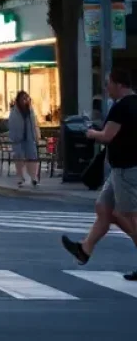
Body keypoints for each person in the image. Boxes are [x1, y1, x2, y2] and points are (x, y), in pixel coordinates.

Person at [62, 67, 137, 280]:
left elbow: (107, 136)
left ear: (119, 84)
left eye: (108, 84)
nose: (106, 88)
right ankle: (84, 249)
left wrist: (91, 132)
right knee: (103, 208)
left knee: (127, 216)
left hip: (126, 169)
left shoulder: (121, 107)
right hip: (122, 169)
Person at [8, 90, 40, 188]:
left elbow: (34, 124)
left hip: (29, 137)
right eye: (23, 98)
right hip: (18, 138)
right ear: (18, 100)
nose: (25, 101)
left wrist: (36, 136)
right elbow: (12, 125)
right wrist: (13, 137)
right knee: (19, 158)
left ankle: (34, 177)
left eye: (27, 98)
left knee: (32, 156)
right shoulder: (14, 112)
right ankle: (20, 178)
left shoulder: (30, 110)